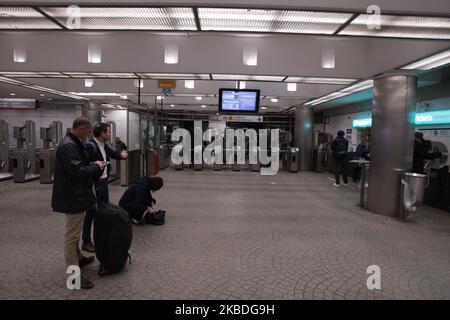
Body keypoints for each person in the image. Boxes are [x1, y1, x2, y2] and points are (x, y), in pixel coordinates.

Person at [51, 117, 105, 289]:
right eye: (87, 131)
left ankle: (79, 258)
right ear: (81, 128)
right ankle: (74, 277)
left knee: (74, 231)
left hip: (76, 194)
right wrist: (96, 166)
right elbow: (76, 172)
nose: (88, 135)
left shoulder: (72, 143)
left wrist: (91, 163)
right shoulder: (69, 146)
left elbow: (78, 166)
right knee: (72, 235)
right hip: (72, 196)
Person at [81, 123, 128, 253]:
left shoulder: (103, 146)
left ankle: (100, 237)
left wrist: (121, 155)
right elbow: (84, 165)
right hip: (94, 184)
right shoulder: (91, 146)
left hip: (103, 182)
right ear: (102, 133)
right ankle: (86, 240)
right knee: (91, 211)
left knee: (103, 210)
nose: (109, 134)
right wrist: (94, 164)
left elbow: (113, 154)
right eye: (108, 132)